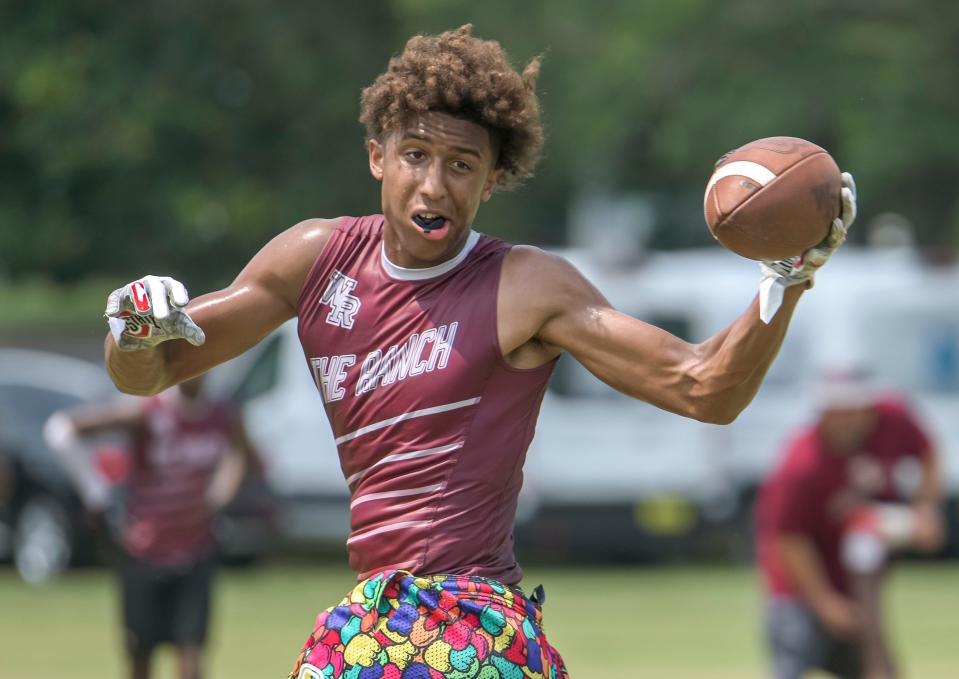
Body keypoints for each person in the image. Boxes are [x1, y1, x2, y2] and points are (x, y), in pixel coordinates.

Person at [99, 25, 857, 679]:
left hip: (473, 618)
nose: (434, 184)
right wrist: (133, 328)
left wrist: (786, 279)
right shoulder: (314, 259)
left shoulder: (525, 286)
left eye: (461, 165)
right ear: (376, 158)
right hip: (370, 616)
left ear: (492, 179)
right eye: (416, 155)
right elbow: (155, 369)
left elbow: (703, 388)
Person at [43, 375, 259, 679]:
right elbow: (62, 430)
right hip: (144, 553)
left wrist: (219, 493)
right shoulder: (148, 412)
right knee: (140, 656)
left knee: (192, 656)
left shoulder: (222, 415)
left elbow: (243, 455)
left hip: (195, 551)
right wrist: (96, 494)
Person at [754, 367, 944, 679]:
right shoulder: (802, 463)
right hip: (799, 589)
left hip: (857, 579)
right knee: (791, 663)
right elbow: (788, 539)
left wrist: (925, 508)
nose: (848, 420)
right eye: (838, 412)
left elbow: (928, 453)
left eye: (856, 410)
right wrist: (825, 602)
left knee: (877, 665)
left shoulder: (893, 421)